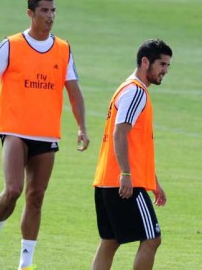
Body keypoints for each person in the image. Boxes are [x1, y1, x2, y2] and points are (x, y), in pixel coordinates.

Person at [0, 0, 89, 270]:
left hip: (47, 133)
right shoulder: (11, 45)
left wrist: (82, 127)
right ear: (30, 13)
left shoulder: (63, 49)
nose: (50, 16)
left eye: (53, 11)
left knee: (36, 197)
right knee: (14, 189)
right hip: (14, 129)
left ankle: (25, 263)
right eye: (44, 11)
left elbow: (74, 91)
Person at [91, 39, 172, 270]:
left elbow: (138, 144)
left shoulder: (126, 89)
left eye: (167, 66)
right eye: (161, 64)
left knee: (110, 241)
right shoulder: (136, 92)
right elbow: (120, 133)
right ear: (145, 61)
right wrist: (126, 173)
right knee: (152, 238)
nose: (164, 71)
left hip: (108, 180)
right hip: (125, 182)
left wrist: (153, 182)